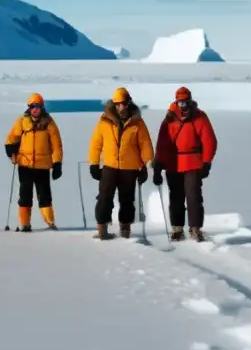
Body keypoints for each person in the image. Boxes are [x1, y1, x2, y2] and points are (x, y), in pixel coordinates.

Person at [88, 87, 154, 240]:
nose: (121, 107)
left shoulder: (138, 123)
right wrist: (93, 163)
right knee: (104, 197)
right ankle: (102, 229)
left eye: (124, 104)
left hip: (129, 168)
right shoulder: (104, 121)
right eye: (118, 104)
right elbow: (96, 144)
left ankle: (125, 229)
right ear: (114, 105)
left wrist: (145, 165)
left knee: (127, 200)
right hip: (110, 166)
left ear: (129, 104)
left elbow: (145, 144)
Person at [153, 86, 217, 242]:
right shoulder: (169, 119)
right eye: (180, 102)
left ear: (190, 100)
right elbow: (162, 144)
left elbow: (210, 141)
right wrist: (158, 166)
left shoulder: (199, 117)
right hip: (173, 164)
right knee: (176, 197)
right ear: (176, 102)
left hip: (193, 164)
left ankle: (195, 228)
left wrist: (206, 162)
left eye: (185, 102)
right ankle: (177, 229)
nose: (183, 105)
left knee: (193, 196)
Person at [4, 93, 63, 232]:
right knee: (25, 195)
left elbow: (56, 145)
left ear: (42, 107)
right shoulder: (22, 122)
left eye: (38, 106)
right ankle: (25, 223)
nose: (35, 109)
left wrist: (57, 163)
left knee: (44, 195)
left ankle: (50, 221)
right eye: (32, 107)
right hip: (25, 165)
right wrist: (10, 149)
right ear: (29, 108)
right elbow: (12, 138)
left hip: (43, 166)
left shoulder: (49, 123)